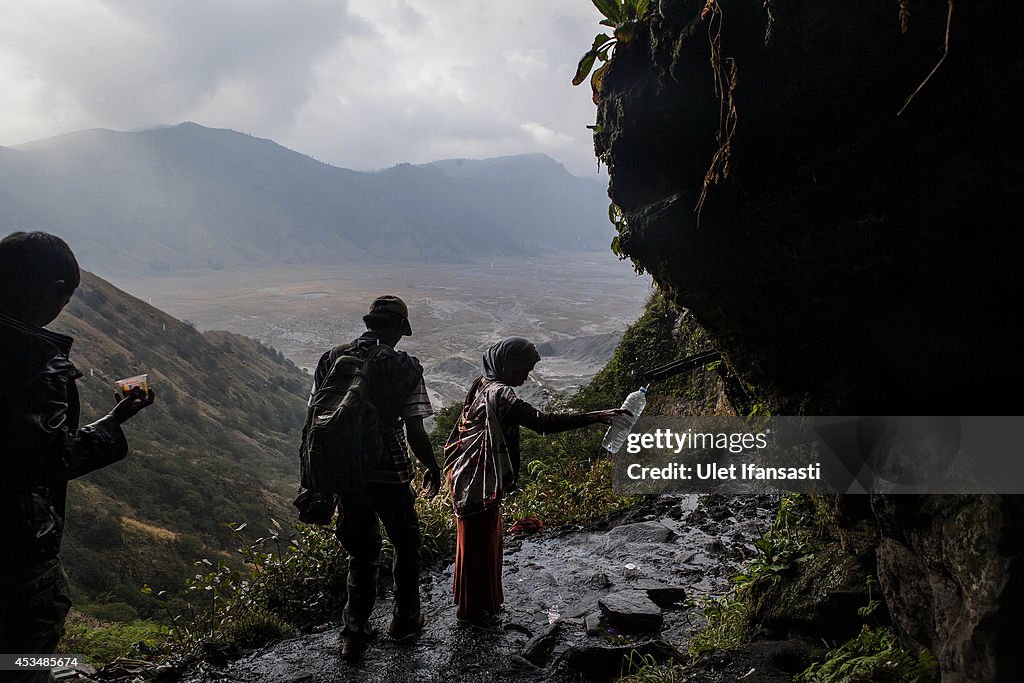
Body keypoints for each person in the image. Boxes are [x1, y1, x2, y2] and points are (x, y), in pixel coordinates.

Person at [0, 231, 155, 683]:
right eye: (63, 300)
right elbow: (48, 459)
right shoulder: (34, 363)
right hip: (13, 548)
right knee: (26, 649)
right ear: (51, 291)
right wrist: (115, 420)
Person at [444, 336, 626, 630]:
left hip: (469, 476)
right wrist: (596, 416)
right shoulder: (500, 394)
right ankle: (473, 614)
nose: (526, 377)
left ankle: (481, 605)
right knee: (479, 544)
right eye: (523, 370)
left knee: (481, 542)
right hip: (477, 480)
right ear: (508, 365)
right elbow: (542, 422)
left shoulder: (483, 383)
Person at [309, 295, 441, 661]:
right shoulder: (404, 366)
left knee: (361, 552)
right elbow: (415, 429)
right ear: (400, 329)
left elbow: (318, 415)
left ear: (368, 323)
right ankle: (405, 620)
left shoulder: (332, 358)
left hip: (347, 472)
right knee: (405, 543)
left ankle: (354, 633)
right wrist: (433, 466)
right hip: (391, 470)